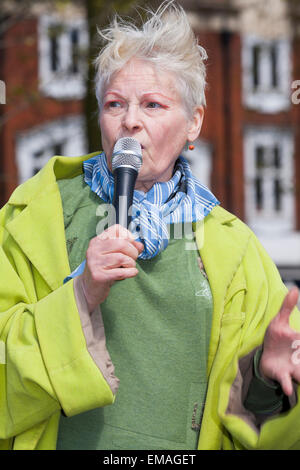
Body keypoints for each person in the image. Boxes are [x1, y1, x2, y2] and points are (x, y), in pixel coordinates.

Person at [0, 1, 300, 451]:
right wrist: (79, 296)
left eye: (153, 104)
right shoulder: (35, 218)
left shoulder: (235, 250)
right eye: (114, 103)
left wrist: (267, 376)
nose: (129, 121)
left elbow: (257, 423)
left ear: (193, 123)